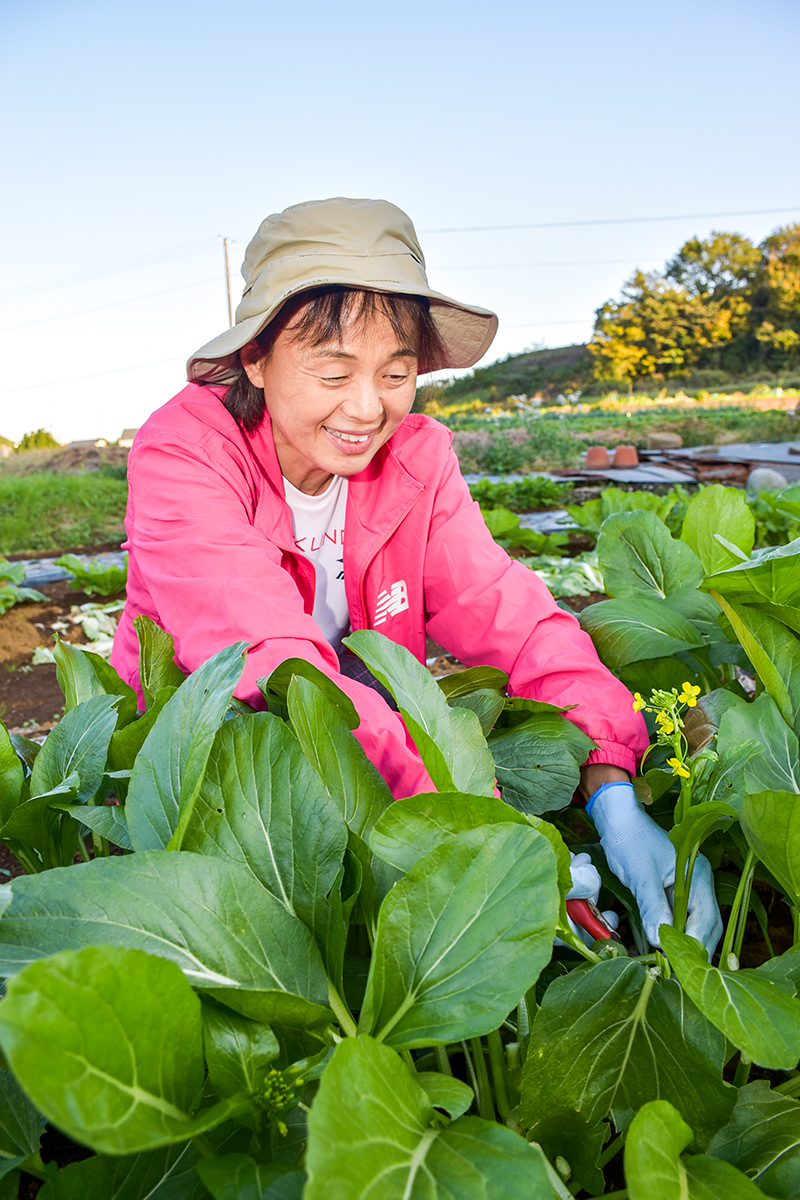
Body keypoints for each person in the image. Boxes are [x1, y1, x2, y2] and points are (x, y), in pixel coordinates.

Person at [110, 196, 721, 955]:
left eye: (395, 373)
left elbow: (510, 617)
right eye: (334, 372)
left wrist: (611, 783)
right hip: (208, 773)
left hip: (374, 759)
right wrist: (490, 848)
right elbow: (277, 668)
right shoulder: (186, 455)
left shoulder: (416, 461)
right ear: (256, 360)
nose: (367, 408)